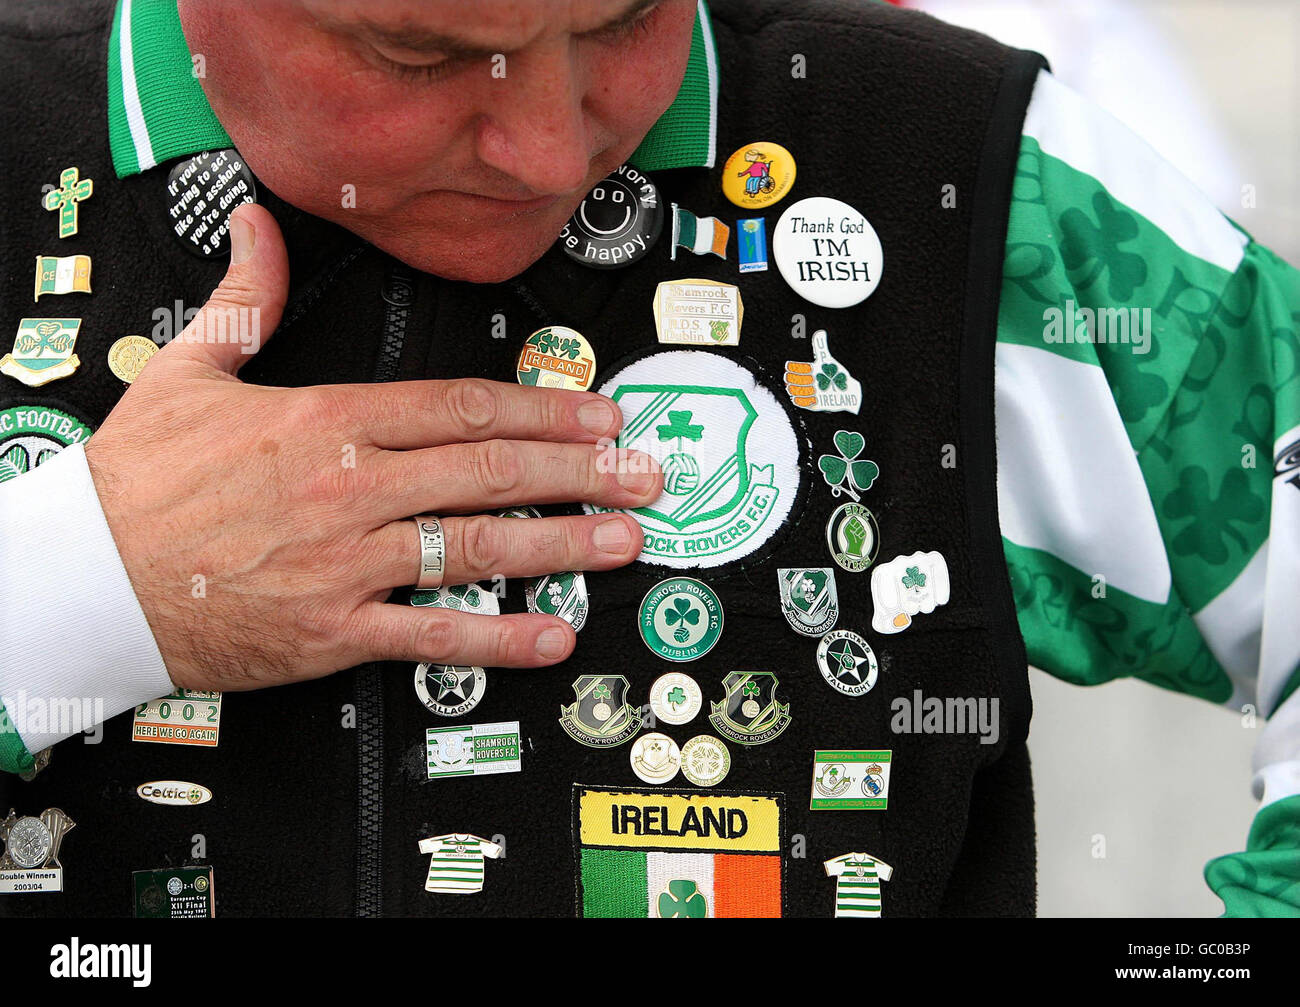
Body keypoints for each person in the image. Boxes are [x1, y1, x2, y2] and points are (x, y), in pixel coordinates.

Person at [0, 0, 1295, 918]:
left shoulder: (948, 164)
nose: (554, 150)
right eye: (419, 54)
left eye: (622, 21)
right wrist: (78, 596)